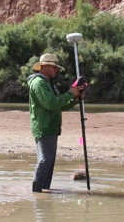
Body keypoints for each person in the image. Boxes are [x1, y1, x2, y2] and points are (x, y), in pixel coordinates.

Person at [27, 53, 85, 192]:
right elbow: (50, 104)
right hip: (43, 127)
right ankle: (37, 190)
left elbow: (59, 105)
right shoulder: (38, 83)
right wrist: (70, 94)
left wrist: (74, 100)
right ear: (45, 67)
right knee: (45, 159)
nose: (56, 70)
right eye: (54, 68)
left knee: (49, 160)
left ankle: (44, 189)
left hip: (51, 127)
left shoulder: (48, 83)